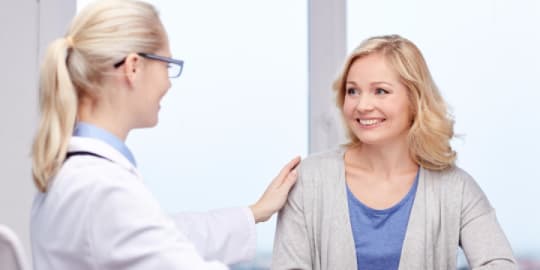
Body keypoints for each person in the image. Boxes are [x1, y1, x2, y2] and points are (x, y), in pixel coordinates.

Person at [30, 0, 300, 269]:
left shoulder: (76, 176)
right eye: (167, 65)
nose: (169, 83)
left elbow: (166, 235)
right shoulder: (103, 188)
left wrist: (255, 213)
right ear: (133, 66)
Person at [271, 35, 516, 270]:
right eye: (352, 91)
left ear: (415, 100)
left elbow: (499, 264)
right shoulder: (309, 180)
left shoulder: (455, 188)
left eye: (380, 91)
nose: (362, 105)